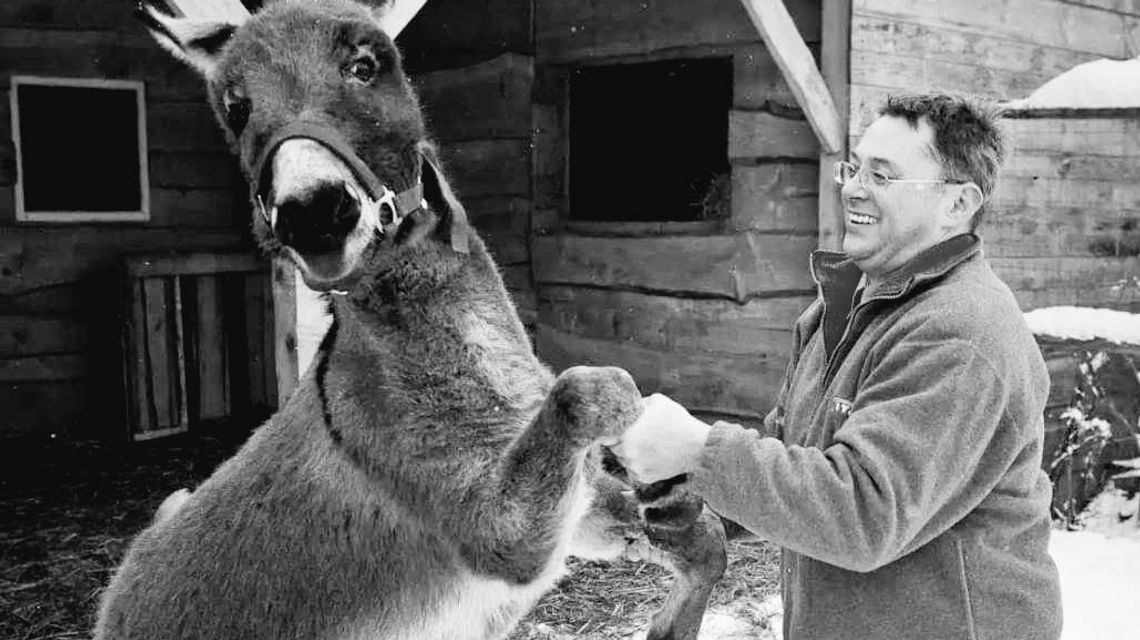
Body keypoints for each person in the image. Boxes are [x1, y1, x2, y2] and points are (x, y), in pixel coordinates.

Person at [611, 93, 1062, 640]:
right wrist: (679, 496)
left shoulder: (960, 333)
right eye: (854, 167)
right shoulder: (844, 305)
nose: (852, 187)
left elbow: (863, 513)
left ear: (957, 203)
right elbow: (800, 456)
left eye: (883, 175)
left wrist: (698, 450)